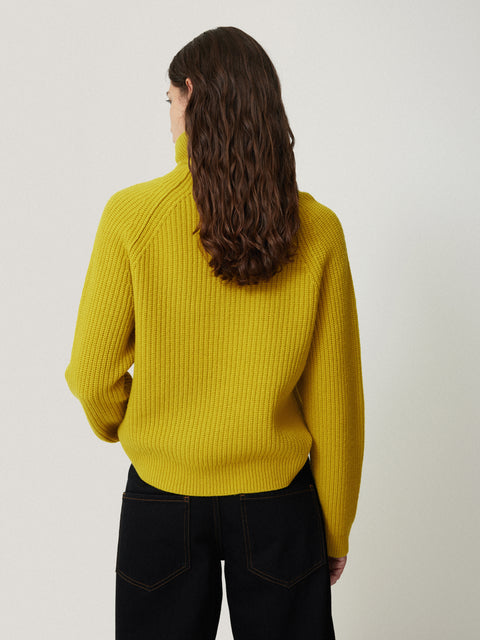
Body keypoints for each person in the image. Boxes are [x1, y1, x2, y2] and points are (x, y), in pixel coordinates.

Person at [64, 26, 364, 640]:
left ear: (191, 94)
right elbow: (335, 402)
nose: (169, 116)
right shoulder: (318, 229)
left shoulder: (132, 216)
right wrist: (334, 525)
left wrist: (139, 428)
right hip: (279, 503)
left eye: (169, 100)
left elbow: (92, 375)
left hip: (162, 497)